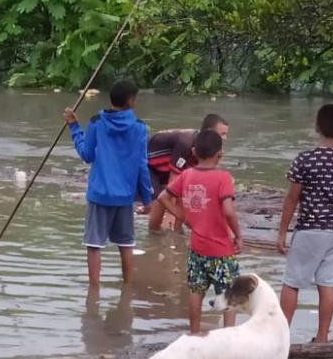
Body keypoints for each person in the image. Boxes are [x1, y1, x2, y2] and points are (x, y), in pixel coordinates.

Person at [274, 104, 333, 343]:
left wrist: (282, 233)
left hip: (309, 230)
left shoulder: (305, 160)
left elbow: (291, 199)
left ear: (317, 127)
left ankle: (282, 338)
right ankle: (322, 338)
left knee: (292, 282)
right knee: (328, 284)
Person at [63, 79, 153, 286]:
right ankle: (127, 289)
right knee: (126, 244)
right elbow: (142, 165)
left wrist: (74, 126)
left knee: (94, 246)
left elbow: (86, 154)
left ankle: (93, 292)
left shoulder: (97, 123)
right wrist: (147, 199)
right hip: (124, 197)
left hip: (99, 194)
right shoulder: (140, 128)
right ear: (130, 100)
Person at [157, 129, 244, 334]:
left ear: (194, 152)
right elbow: (229, 211)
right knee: (228, 295)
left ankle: (194, 334)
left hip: (197, 249)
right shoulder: (223, 178)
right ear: (220, 154)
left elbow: (162, 197)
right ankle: (228, 336)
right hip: (221, 250)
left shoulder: (186, 175)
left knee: (196, 292)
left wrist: (182, 215)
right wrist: (238, 235)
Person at [145, 114, 229, 232]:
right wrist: (171, 214)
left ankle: (177, 232)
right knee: (159, 199)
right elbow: (173, 181)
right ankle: (154, 234)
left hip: (168, 162)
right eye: (222, 134)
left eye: (226, 134)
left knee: (183, 194)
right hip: (148, 162)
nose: (225, 139)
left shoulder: (211, 148)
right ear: (209, 132)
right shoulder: (186, 144)